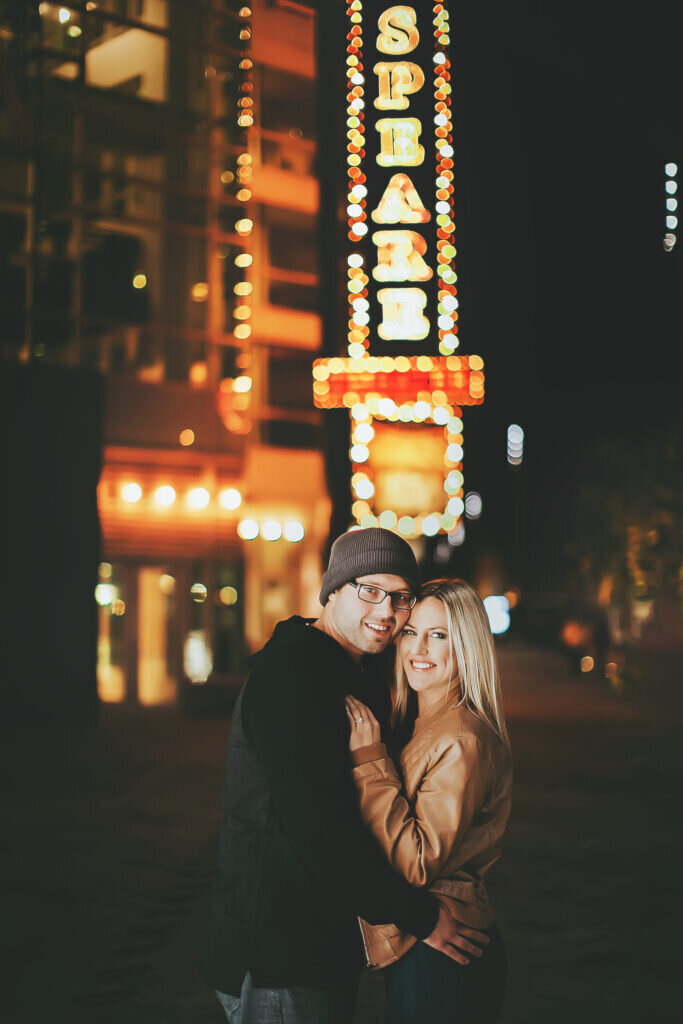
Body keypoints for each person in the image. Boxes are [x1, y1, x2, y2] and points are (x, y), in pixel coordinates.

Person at [206, 530, 489, 1024]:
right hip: (279, 954)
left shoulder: (355, 674)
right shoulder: (291, 678)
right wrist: (420, 917)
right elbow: (318, 831)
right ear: (333, 589)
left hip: (324, 945)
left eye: (401, 597)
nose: (386, 611)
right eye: (371, 590)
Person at [345, 578, 513, 1024]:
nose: (418, 649)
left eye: (437, 635)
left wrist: (369, 761)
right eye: (410, 632)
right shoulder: (422, 720)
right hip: (427, 945)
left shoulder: (461, 740)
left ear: (466, 644)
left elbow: (417, 862)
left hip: (445, 949)